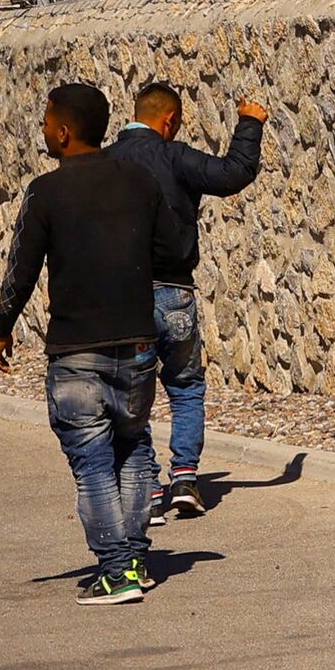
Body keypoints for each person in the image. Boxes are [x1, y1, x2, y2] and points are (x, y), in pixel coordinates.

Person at [0, 80, 167, 603]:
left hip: (77, 349)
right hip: (138, 342)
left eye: (47, 121)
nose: (43, 129)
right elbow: (171, 246)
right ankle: (134, 559)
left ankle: (117, 571)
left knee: (92, 459)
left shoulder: (46, 192)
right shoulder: (140, 182)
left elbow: (21, 266)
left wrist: (3, 327)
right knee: (133, 445)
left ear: (64, 132)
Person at [112, 81, 269, 522]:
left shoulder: (105, 162)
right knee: (184, 387)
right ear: (170, 121)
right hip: (174, 293)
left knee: (131, 393)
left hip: (123, 299)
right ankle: (183, 479)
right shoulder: (175, 156)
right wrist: (250, 123)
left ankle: (144, 488)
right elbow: (232, 173)